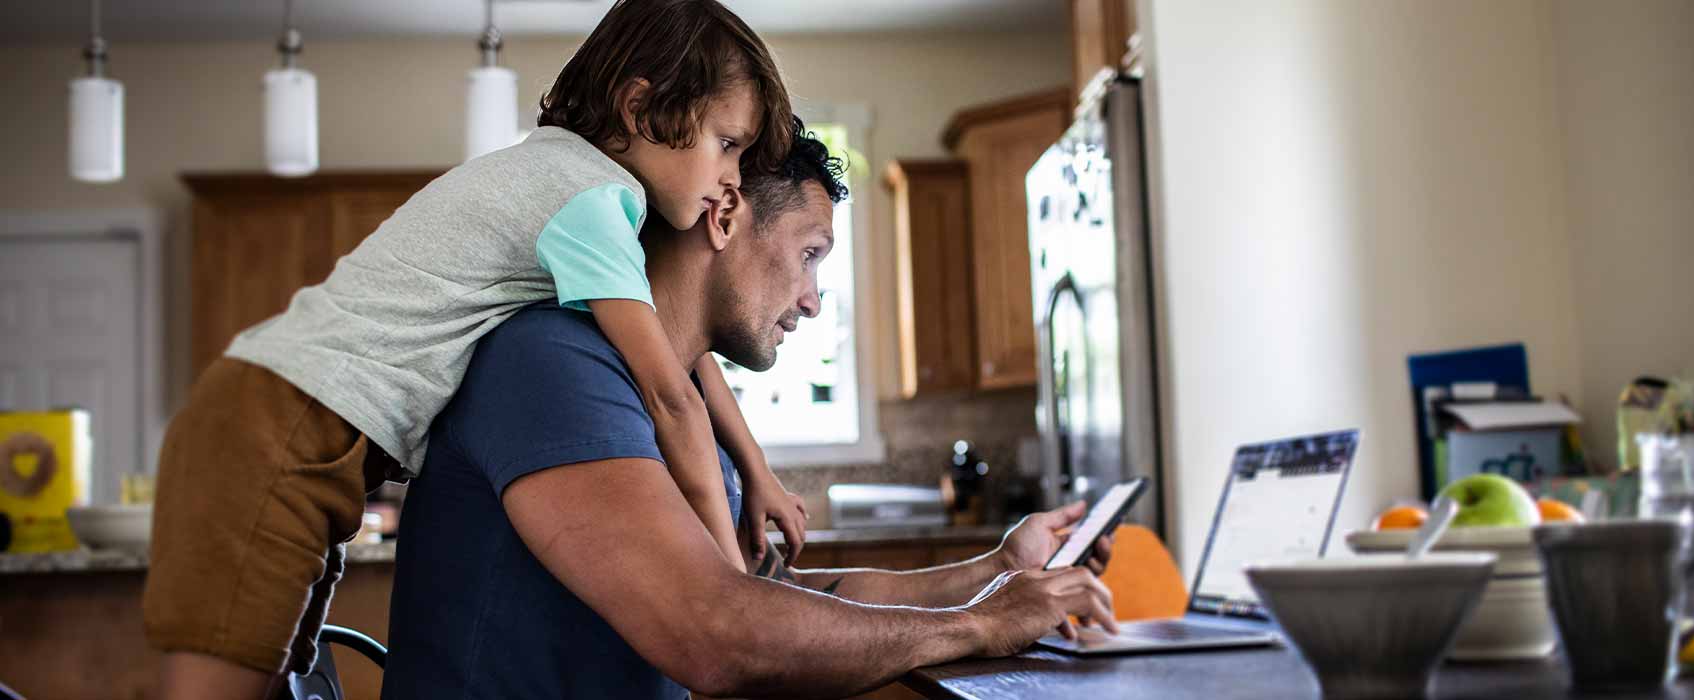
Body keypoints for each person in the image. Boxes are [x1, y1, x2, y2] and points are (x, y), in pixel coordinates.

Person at [143, 1, 809, 696]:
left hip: (289, 428)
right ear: (641, 107)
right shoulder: (591, 199)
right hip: (275, 428)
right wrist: (731, 592)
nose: (731, 178)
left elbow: (679, 354)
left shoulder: (570, 181)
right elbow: (669, 395)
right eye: (726, 144)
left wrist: (755, 469)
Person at [381, 122, 1120, 699]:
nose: (812, 299)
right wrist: (981, 624)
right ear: (725, 214)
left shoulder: (686, 396)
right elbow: (717, 633)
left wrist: (996, 573)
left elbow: (772, 600)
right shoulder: (551, 362)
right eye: (809, 254)